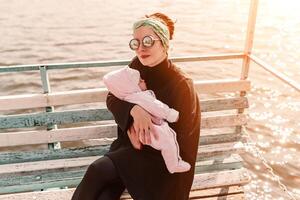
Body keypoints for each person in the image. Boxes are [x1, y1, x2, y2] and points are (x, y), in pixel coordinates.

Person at [71, 12, 201, 200]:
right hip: (130, 149)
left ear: (164, 43)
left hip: (161, 162)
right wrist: (134, 110)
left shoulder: (182, 84)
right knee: (105, 196)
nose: (141, 49)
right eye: (135, 43)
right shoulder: (136, 67)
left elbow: (184, 140)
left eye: (148, 41)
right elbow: (113, 96)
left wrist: (142, 140)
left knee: (97, 169)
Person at [103, 66, 191, 174]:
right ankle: (174, 165)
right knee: (168, 141)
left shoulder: (127, 96)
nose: (144, 80)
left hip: (143, 134)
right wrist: (171, 115)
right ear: (132, 87)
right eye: (140, 81)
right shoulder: (141, 97)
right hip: (154, 130)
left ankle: (139, 145)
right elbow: (158, 107)